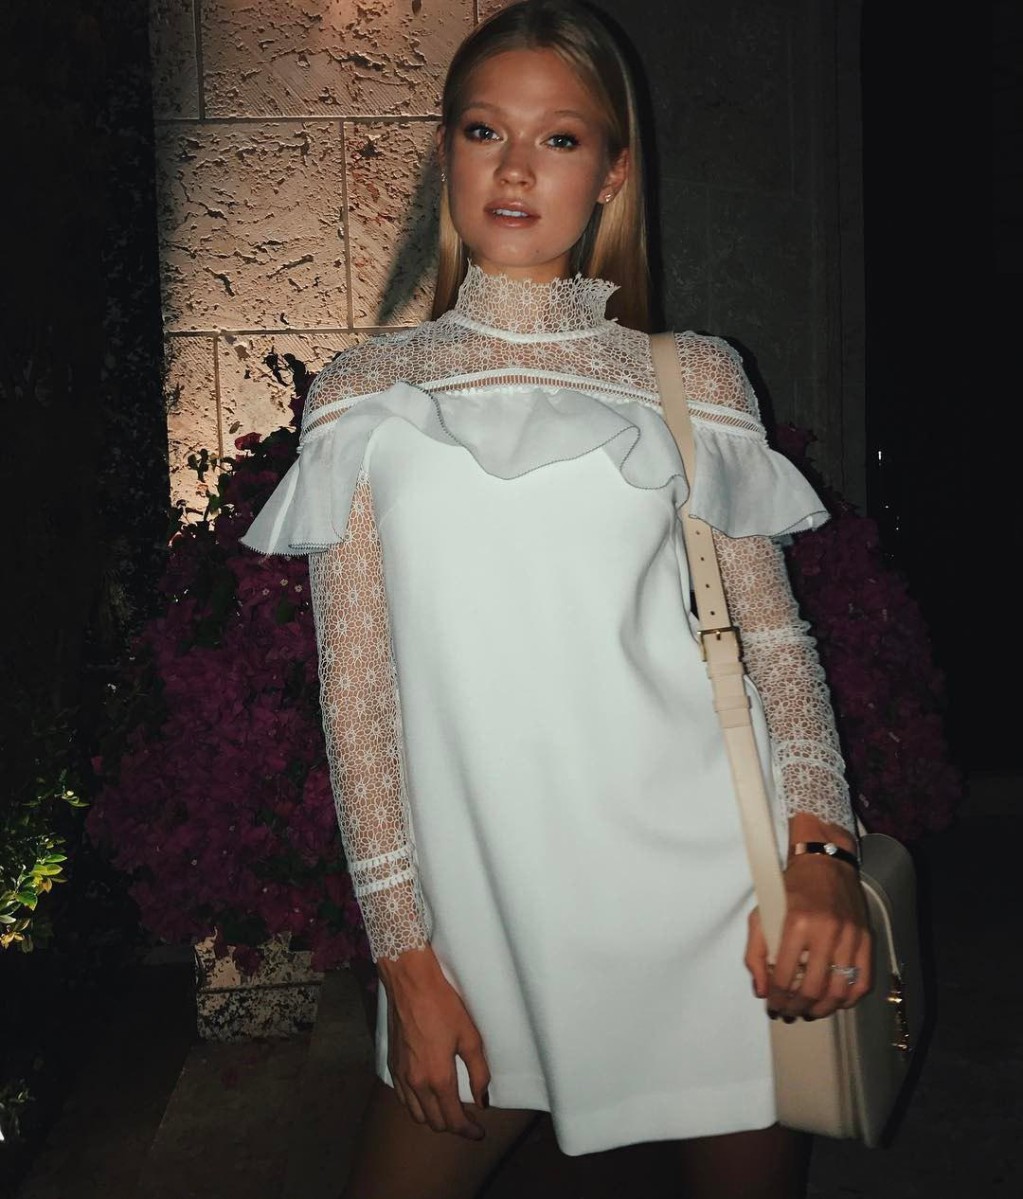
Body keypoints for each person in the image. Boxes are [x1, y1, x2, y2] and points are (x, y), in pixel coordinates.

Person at [241, 2, 872, 1196]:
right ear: (447, 151)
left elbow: (775, 639)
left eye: (561, 138)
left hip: (712, 912)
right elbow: (359, 698)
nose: (518, 167)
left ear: (613, 173)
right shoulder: (364, 394)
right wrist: (405, 958)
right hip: (479, 924)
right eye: (486, 130)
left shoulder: (692, 377)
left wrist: (822, 852)